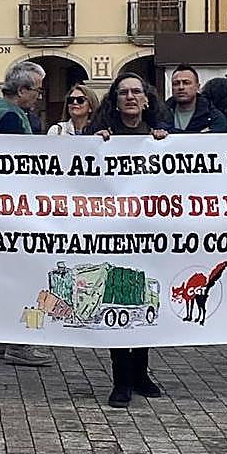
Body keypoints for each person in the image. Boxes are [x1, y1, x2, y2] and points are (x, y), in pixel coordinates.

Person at [87, 71, 170, 408]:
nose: (131, 98)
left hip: (150, 234)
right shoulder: (101, 136)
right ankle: (121, 379)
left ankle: (141, 372)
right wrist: (94, 140)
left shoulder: (161, 136)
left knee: (146, 302)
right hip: (113, 234)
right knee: (119, 303)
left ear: (147, 98)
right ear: (115, 100)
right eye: (124, 93)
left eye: (137, 92)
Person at [0, 61, 52, 367]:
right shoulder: (9, 117)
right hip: (13, 207)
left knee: (0, 276)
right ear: (22, 90)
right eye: (37, 90)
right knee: (26, 276)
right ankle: (21, 342)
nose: (39, 97)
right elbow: (16, 162)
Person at [165, 65, 226, 134]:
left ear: (197, 87)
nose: (181, 87)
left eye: (186, 83)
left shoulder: (213, 116)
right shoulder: (160, 115)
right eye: (176, 84)